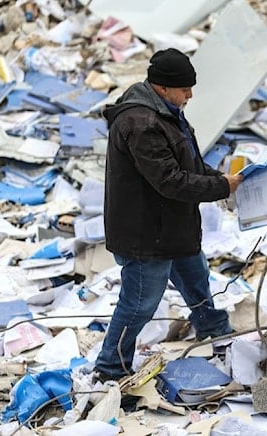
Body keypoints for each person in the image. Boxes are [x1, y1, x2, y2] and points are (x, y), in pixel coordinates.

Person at [95, 48, 243, 380]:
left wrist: (219, 180)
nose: (190, 95)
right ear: (163, 87)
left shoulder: (164, 111)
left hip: (170, 226)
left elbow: (185, 161)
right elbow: (170, 180)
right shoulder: (141, 123)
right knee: (139, 304)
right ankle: (109, 368)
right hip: (145, 234)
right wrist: (222, 188)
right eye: (184, 88)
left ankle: (215, 330)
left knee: (196, 280)